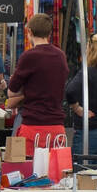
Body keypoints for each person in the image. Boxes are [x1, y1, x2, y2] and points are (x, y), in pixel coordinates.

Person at [6, 14, 68, 155]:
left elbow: (11, 92)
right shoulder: (60, 56)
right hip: (57, 127)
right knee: (55, 174)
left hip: (33, 126)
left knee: (28, 172)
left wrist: (23, 87)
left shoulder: (29, 56)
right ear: (49, 33)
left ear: (30, 32)